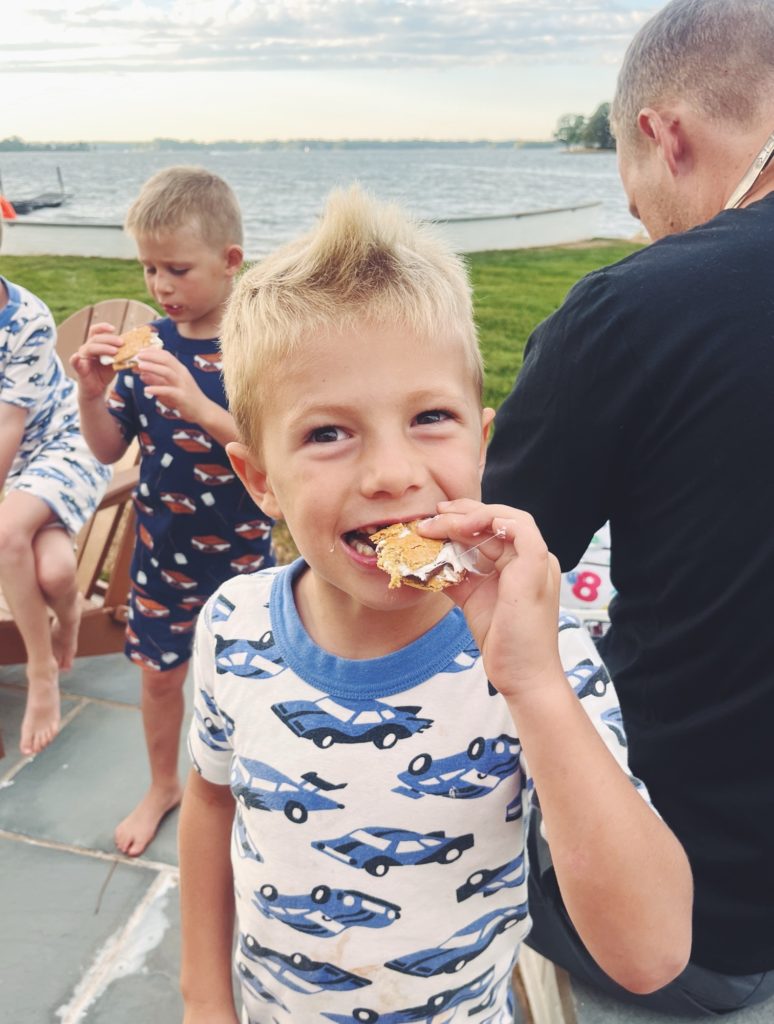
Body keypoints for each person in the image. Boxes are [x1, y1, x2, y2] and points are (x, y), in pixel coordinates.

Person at [177, 186, 692, 1024]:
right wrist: (204, 998)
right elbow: (210, 799)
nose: (391, 472)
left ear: (483, 443)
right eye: (327, 433)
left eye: (429, 417)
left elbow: (652, 953)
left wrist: (532, 687)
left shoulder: (541, 651)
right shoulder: (233, 624)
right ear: (260, 480)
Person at [482, 0, 774, 1014]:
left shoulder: (629, 312)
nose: (643, 218)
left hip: (711, 922)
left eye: (635, 187)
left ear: (666, 134)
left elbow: (489, 575)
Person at [70, 167, 275, 857]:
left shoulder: (256, 352)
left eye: (177, 269)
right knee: (159, 681)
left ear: (230, 262)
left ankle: (244, 791)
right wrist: (93, 395)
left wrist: (199, 405)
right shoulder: (147, 350)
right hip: (160, 558)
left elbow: (271, 455)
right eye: (149, 268)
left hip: (244, 559)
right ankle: (164, 784)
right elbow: (107, 449)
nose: (160, 286)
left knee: (246, 686)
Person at [0, 261, 111, 756]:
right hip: (19, 469)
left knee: (5, 535)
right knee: (56, 572)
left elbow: (8, 425)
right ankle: (69, 618)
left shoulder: (25, 318)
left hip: (65, 443)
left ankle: (41, 670)